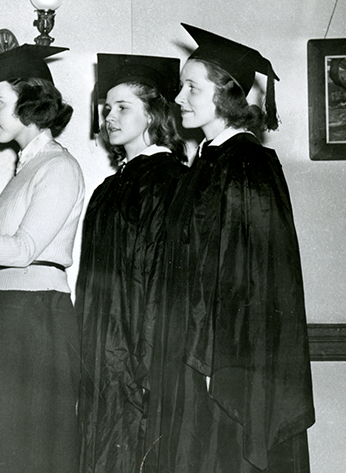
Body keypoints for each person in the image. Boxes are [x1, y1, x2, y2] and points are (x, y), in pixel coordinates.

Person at [145, 24, 315, 473]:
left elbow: (253, 278)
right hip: (193, 357)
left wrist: (212, 363)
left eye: (191, 87)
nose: (178, 98)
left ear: (226, 95)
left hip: (226, 368)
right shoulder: (207, 161)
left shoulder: (248, 164)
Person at [0, 44, 85, 473]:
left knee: (30, 448)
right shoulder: (24, 169)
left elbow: (23, 250)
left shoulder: (59, 166)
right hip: (4, 313)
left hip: (36, 318)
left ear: (31, 102)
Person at [76, 53, 188, 473]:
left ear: (154, 113)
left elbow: (161, 279)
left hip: (142, 355)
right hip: (103, 354)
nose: (110, 117)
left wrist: (145, 362)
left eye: (123, 107)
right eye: (107, 109)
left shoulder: (168, 181)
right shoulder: (110, 188)